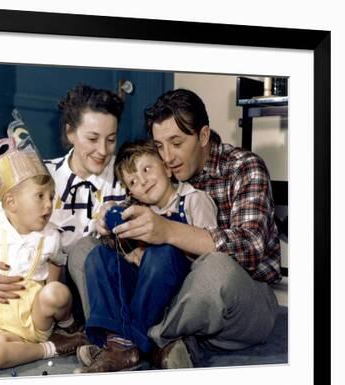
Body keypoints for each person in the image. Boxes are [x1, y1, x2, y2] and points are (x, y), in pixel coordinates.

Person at [0, 84, 125, 366]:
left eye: (111, 139)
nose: (102, 150)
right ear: (70, 133)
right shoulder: (36, 173)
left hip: (32, 300)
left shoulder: (125, 184)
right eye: (92, 138)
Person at [94, 88, 281, 369]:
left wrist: (167, 231)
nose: (167, 157)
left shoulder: (245, 167)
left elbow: (250, 247)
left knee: (216, 268)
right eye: (159, 146)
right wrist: (109, 218)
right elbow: (132, 207)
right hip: (174, 293)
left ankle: (136, 340)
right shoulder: (160, 174)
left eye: (177, 143)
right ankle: (154, 343)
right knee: (88, 249)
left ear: (203, 136)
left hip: (237, 300)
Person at [0, 110, 87, 368]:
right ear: (11, 202)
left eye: (50, 196)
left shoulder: (50, 235)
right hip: (0, 329)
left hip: (36, 320)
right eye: (40, 197)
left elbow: (55, 262)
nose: (48, 205)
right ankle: (51, 349)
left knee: (56, 291)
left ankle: (65, 329)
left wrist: (52, 301)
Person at [75, 139, 217, 373]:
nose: (141, 180)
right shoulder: (138, 210)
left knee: (162, 253)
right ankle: (117, 341)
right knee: (98, 256)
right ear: (131, 191)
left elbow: (210, 258)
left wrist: (161, 245)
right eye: (133, 181)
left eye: (146, 169)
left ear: (167, 168)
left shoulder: (194, 200)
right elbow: (116, 241)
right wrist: (116, 233)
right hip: (144, 291)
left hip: (177, 294)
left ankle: (126, 346)